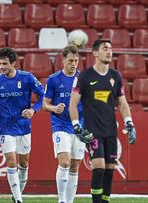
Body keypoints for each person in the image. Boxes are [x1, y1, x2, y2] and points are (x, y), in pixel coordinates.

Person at [69, 39, 137, 203]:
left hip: (110, 131)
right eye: (105, 48)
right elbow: (72, 103)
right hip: (93, 131)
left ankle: (104, 201)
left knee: (109, 170)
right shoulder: (85, 76)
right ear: (95, 53)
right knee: (98, 167)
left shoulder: (115, 76)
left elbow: (122, 102)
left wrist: (129, 123)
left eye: (111, 48)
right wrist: (77, 127)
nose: (109, 51)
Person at [0, 47, 45, 203]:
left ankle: (17, 192)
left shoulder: (27, 78)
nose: (2, 67)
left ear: (13, 63)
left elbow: (43, 96)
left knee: (24, 163)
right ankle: (18, 199)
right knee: (12, 161)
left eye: (5, 63)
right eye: (0, 64)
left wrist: (34, 110)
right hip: (5, 127)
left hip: (24, 126)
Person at [43, 45, 85, 203]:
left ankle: (69, 201)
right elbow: (45, 104)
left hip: (79, 126)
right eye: (70, 60)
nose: (74, 64)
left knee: (75, 165)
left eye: (76, 60)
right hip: (60, 125)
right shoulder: (53, 79)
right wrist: (54, 107)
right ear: (63, 60)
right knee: (65, 162)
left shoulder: (83, 79)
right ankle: (61, 200)